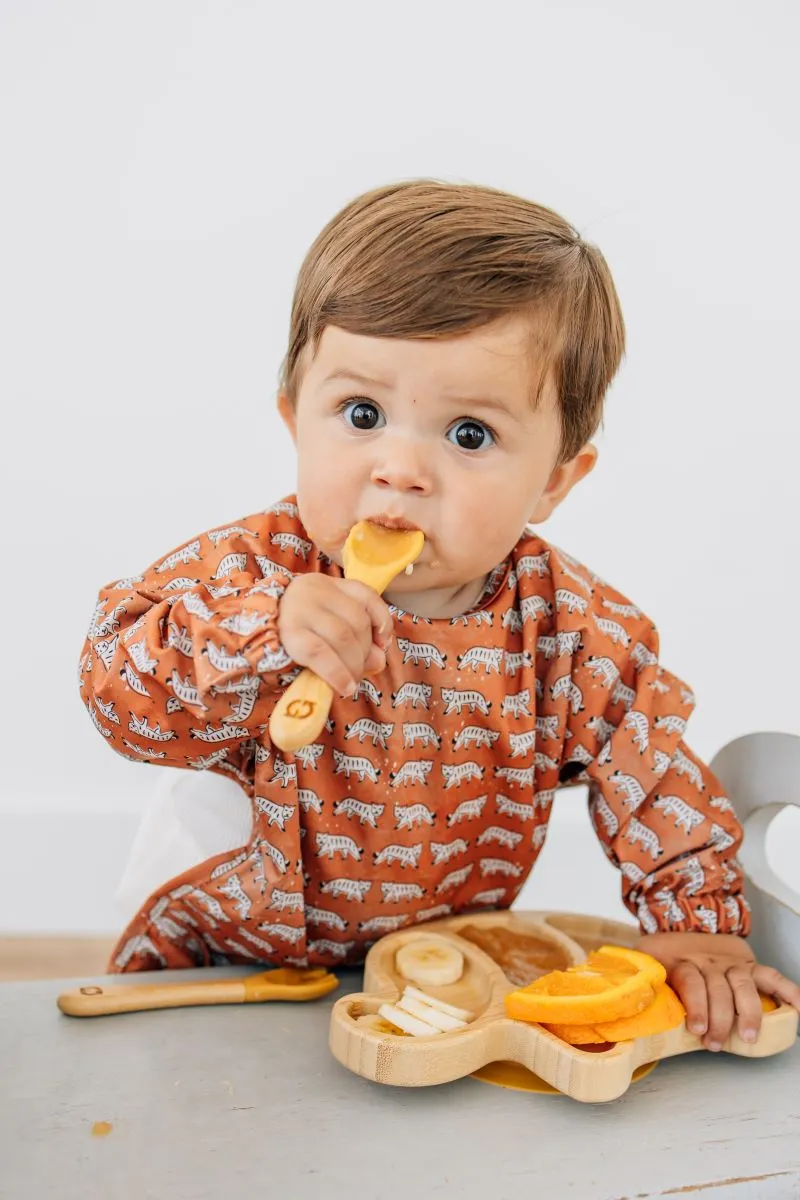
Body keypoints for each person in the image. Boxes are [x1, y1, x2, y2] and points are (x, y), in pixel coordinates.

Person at [79, 179, 800, 1051]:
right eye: (361, 415)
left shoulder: (571, 634)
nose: (400, 468)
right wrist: (260, 634)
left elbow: (650, 770)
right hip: (216, 961)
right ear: (294, 420)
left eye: (468, 435)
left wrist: (695, 918)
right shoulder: (250, 573)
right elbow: (119, 693)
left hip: (438, 977)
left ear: (555, 481)